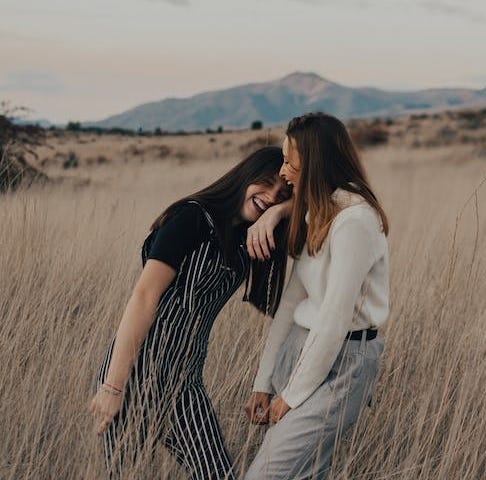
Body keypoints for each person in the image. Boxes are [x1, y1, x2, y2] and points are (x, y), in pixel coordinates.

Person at [89, 146, 293, 479]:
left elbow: (318, 202)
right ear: (245, 176)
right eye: (266, 183)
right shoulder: (194, 217)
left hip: (185, 384)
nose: (270, 196)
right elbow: (144, 296)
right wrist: (114, 387)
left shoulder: (248, 235)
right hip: (136, 375)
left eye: (281, 193)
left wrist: (279, 212)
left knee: (217, 474)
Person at [245, 113, 390, 480]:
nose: (283, 172)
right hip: (301, 348)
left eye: (290, 162)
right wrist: (264, 381)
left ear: (314, 164)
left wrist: (290, 397)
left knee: (265, 474)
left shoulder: (354, 223)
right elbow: (291, 305)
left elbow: (333, 321)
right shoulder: (317, 213)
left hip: (344, 361)